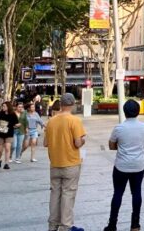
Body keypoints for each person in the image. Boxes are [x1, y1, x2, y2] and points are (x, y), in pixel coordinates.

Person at [103, 100, 144, 231]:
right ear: (138, 111)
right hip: (138, 165)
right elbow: (142, 141)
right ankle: (135, 224)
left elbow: (111, 146)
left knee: (117, 193)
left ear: (124, 112)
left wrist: (122, 146)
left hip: (121, 166)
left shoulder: (119, 128)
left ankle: (112, 224)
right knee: (137, 193)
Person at [45, 93, 87, 231]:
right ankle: (65, 226)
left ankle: (52, 225)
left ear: (61, 104)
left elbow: (46, 143)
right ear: (73, 104)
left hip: (55, 163)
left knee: (55, 194)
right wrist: (83, 140)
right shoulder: (75, 121)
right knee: (68, 195)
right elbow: (77, 143)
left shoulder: (51, 121)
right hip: (71, 163)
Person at [0, 102, 19, 169]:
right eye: (2, 106)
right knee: (0, 150)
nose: (3, 107)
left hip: (9, 133)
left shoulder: (12, 114)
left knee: (7, 148)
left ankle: (6, 163)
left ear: (8, 107)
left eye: (4, 106)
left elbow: (17, 123)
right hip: (0, 133)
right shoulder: (0, 113)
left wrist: (16, 125)